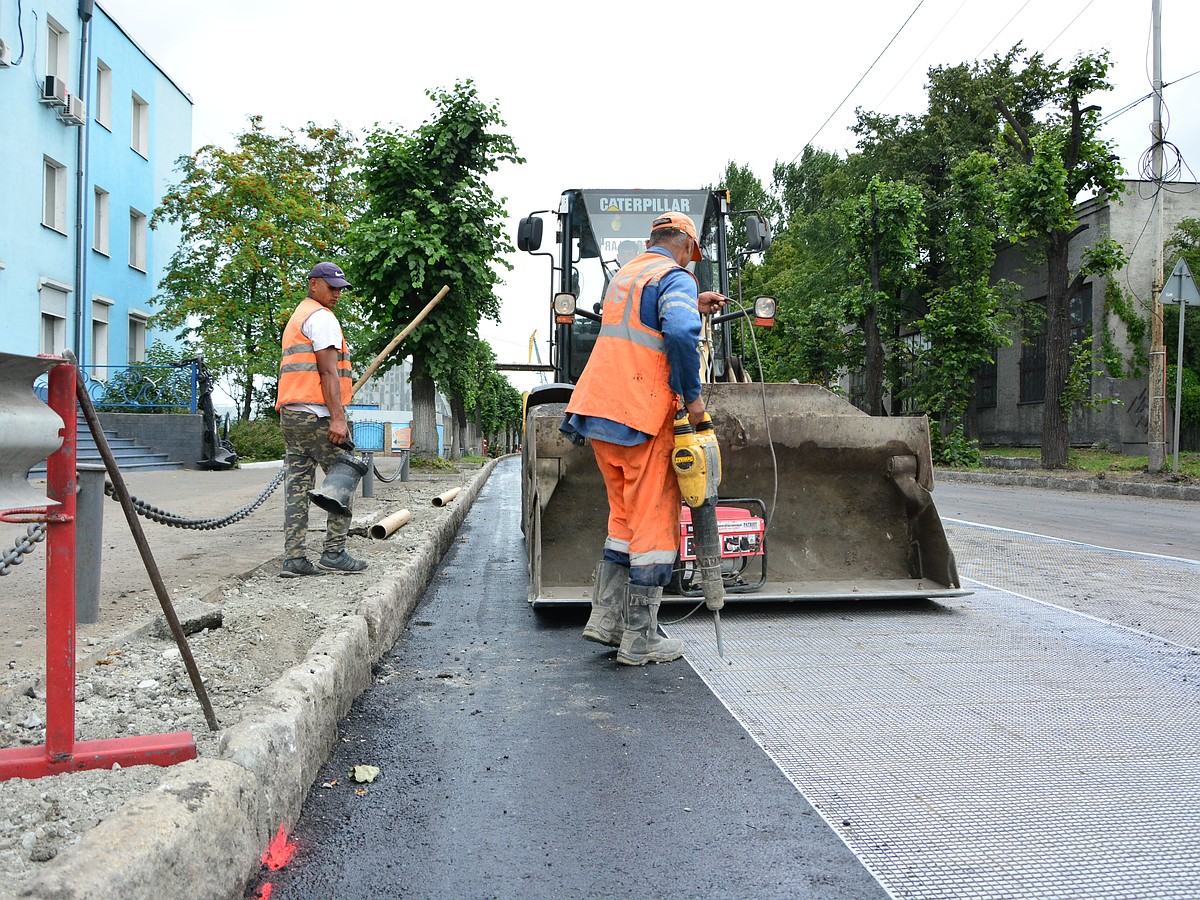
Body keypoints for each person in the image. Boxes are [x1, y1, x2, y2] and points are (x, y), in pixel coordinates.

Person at [562, 212, 727, 665]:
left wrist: (692, 302)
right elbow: (675, 332)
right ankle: (641, 638)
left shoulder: (627, 275)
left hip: (598, 410)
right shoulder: (675, 276)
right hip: (642, 416)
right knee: (653, 525)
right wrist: (693, 401)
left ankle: (606, 621)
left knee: (624, 521)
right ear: (687, 248)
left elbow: (644, 321)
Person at [275, 261, 368, 577]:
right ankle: (334, 552)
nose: (337, 294)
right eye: (331, 287)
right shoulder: (323, 319)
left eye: (340, 288)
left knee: (297, 486)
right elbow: (328, 372)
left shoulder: (298, 317)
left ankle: (295, 558)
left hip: (292, 416)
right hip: (316, 416)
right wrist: (338, 419)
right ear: (314, 284)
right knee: (346, 472)